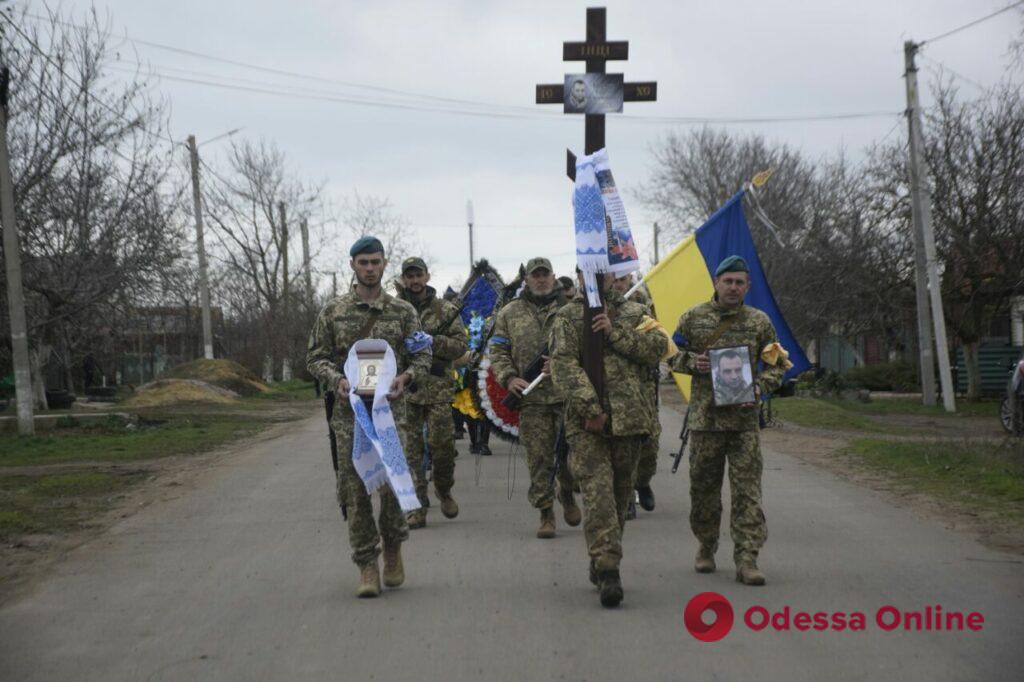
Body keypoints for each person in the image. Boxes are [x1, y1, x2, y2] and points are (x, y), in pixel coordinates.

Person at [306, 236, 431, 598]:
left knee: (391, 485)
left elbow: (422, 355)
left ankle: (392, 549)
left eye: (376, 262)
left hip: (393, 416)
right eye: (364, 263)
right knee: (356, 489)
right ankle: (365, 564)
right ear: (353, 266)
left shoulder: (403, 312)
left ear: (384, 264)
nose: (370, 268)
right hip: (351, 418)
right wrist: (337, 379)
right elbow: (315, 357)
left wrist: (407, 377)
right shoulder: (333, 312)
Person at [668, 255, 789, 586]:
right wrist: (693, 363)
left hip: (744, 424)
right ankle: (706, 546)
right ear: (716, 283)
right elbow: (669, 356)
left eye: (740, 282)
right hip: (705, 421)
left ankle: (747, 558)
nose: (733, 287)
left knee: (747, 492)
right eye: (728, 281)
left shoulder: (759, 322)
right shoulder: (693, 319)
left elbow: (779, 365)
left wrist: (758, 386)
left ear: (747, 286)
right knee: (704, 491)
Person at [550, 269, 668, 607]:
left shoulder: (636, 313)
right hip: (588, 426)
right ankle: (608, 568)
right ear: (579, 275)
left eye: (602, 273)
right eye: (586, 273)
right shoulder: (569, 317)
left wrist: (615, 334)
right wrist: (590, 408)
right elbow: (563, 367)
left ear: (611, 276)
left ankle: (599, 558)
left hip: (630, 422)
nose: (595, 279)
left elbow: (658, 348)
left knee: (618, 499)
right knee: (598, 494)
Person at [489, 257, 580, 537]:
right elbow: (498, 351)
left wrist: (563, 365)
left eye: (545, 274)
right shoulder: (509, 313)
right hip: (531, 399)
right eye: (535, 275)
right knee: (539, 459)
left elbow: (587, 348)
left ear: (553, 278)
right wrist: (508, 377)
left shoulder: (571, 311)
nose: (541, 279)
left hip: (568, 396)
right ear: (526, 280)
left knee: (570, 458)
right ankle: (546, 513)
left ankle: (566, 490)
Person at [396, 257, 468, 529]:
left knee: (442, 449)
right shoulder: (396, 311)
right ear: (404, 279)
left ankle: (444, 488)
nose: (414, 281)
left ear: (427, 276)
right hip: (405, 391)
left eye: (418, 275)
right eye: (409, 276)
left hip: (438, 390)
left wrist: (432, 341)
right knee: (411, 452)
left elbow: (461, 346)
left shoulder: (445, 310)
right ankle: (417, 506)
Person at [610, 274, 661, 516]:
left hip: (643, 386)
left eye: (623, 280)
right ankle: (627, 497)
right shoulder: (599, 308)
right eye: (615, 280)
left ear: (630, 280)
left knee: (649, 446)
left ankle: (643, 481)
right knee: (623, 445)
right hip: (615, 390)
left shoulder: (642, 307)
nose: (619, 285)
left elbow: (656, 346)